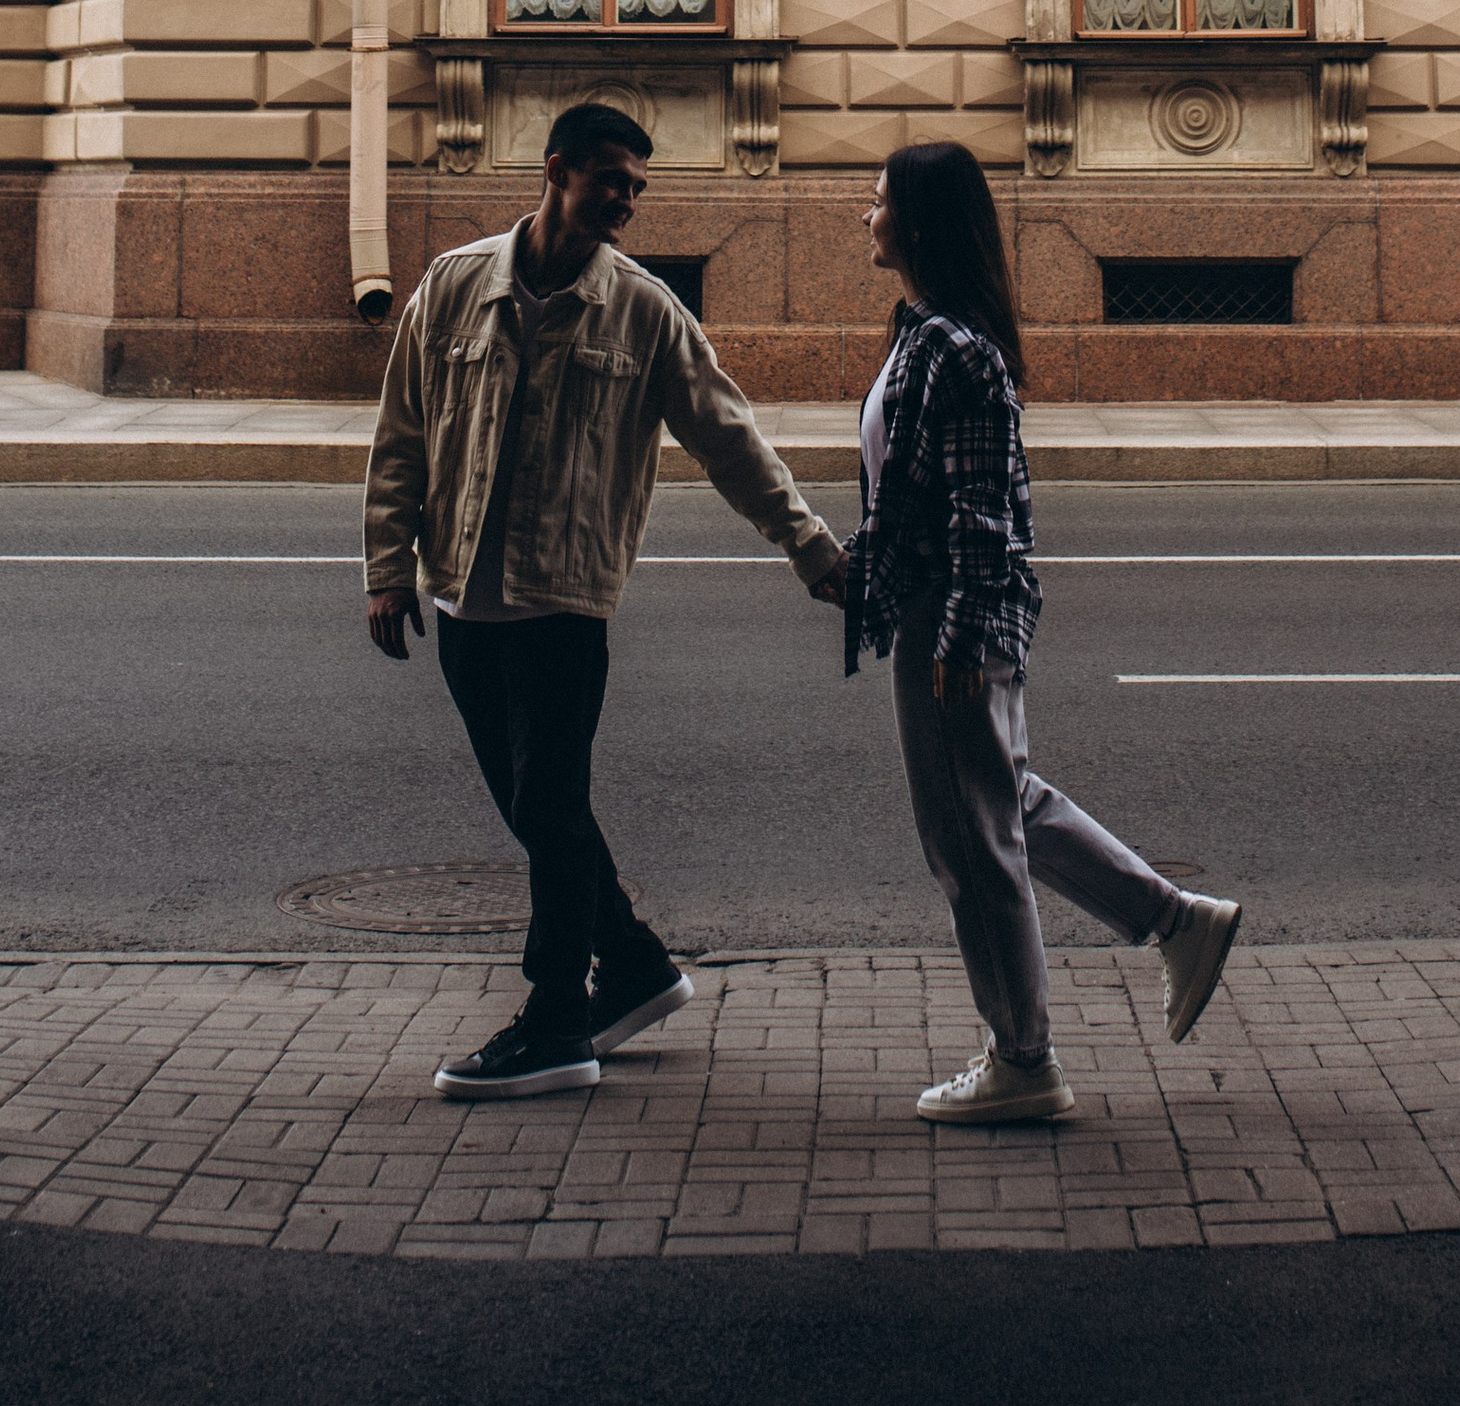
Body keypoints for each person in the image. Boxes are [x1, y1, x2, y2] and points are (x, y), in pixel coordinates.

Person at [364, 100, 846, 1099]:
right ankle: (632, 964)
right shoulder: (452, 286)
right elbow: (402, 434)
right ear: (557, 171)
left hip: (564, 604)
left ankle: (555, 1020)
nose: (625, 201)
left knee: (548, 807)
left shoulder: (644, 311)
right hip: (460, 601)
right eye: (610, 181)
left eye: (636, 188)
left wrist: (810, 549)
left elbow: (729, 440)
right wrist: (385, 567)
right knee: (536, 809)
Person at [839, 140, 1243, 1125]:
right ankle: (1175, 921)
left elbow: (983, 514)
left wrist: (959, 642)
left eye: (877, 200)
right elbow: (913, 494)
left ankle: (1023, 1060)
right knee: (1001, 804)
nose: (865, 215)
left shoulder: (954, 349)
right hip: (943, 608)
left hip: (955, 616)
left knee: (967, 840)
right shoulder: (924, 335)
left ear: (918, 221)